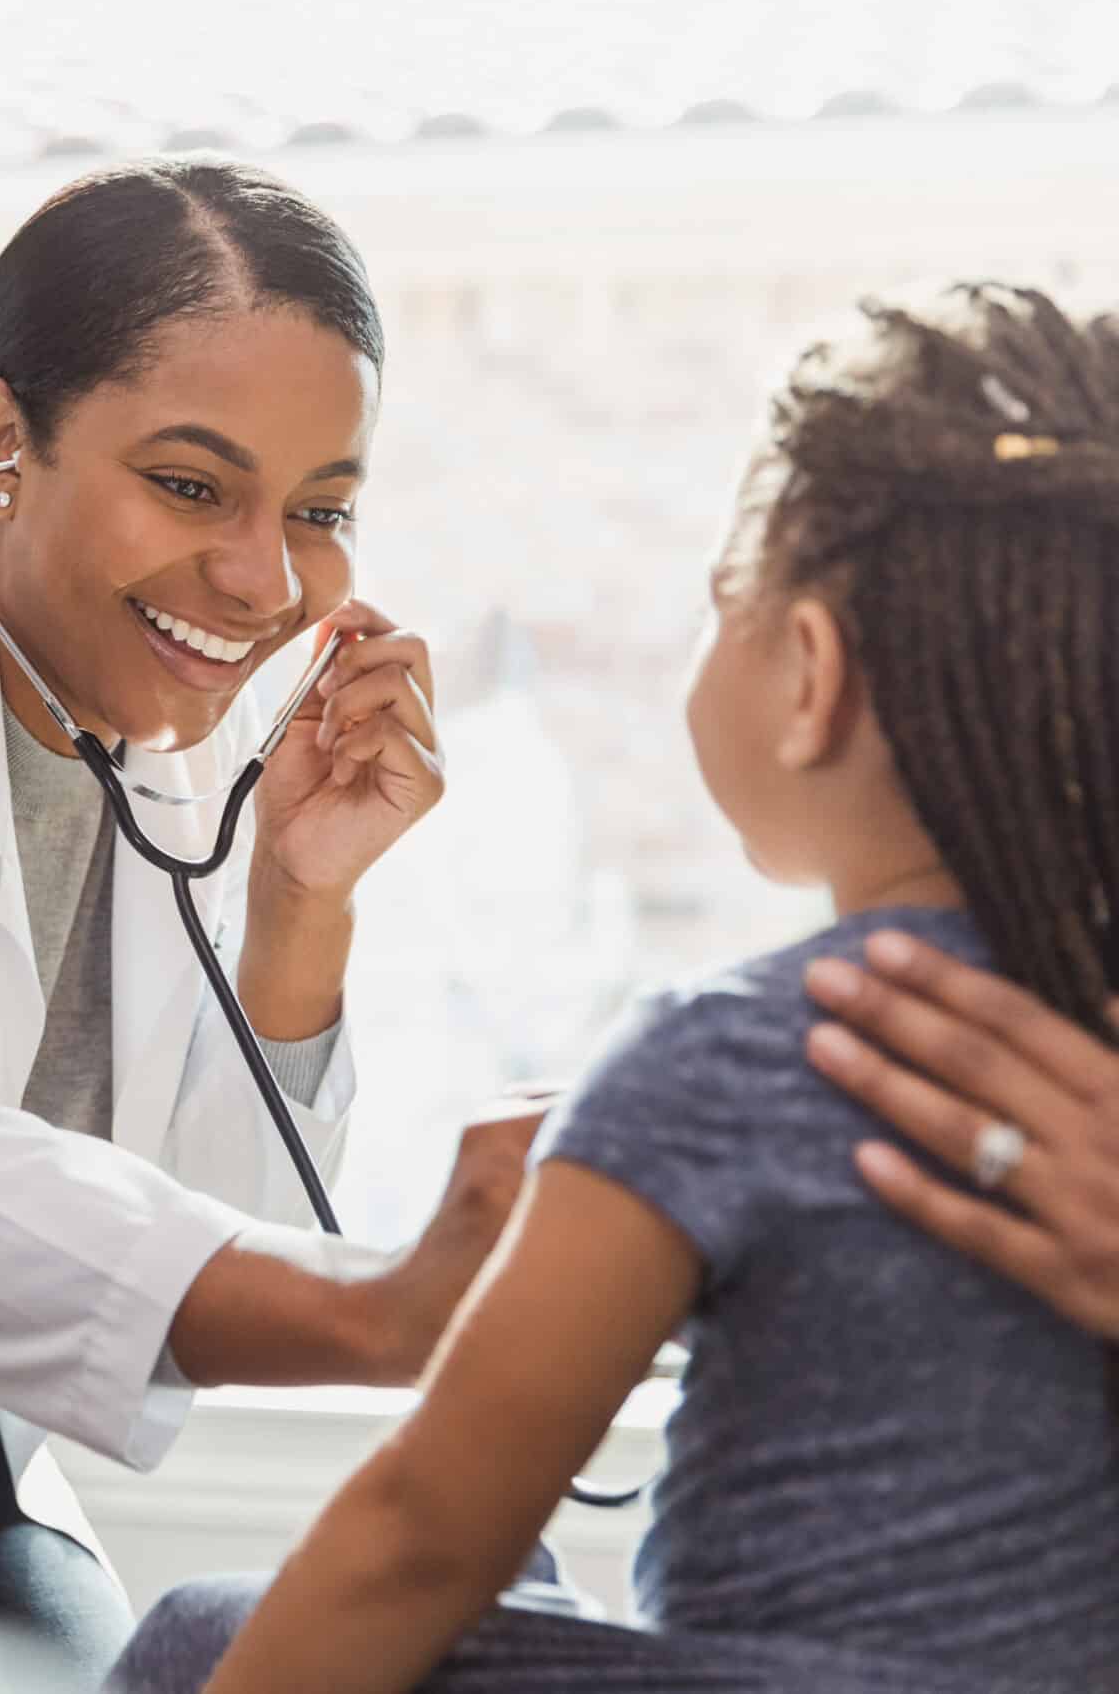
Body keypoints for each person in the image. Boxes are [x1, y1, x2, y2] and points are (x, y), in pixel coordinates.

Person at [103, 283, 1119, 1694]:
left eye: (723, 604)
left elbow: (416, 1537)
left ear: (809, 676)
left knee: (198, 1631)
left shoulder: (733, 1059)